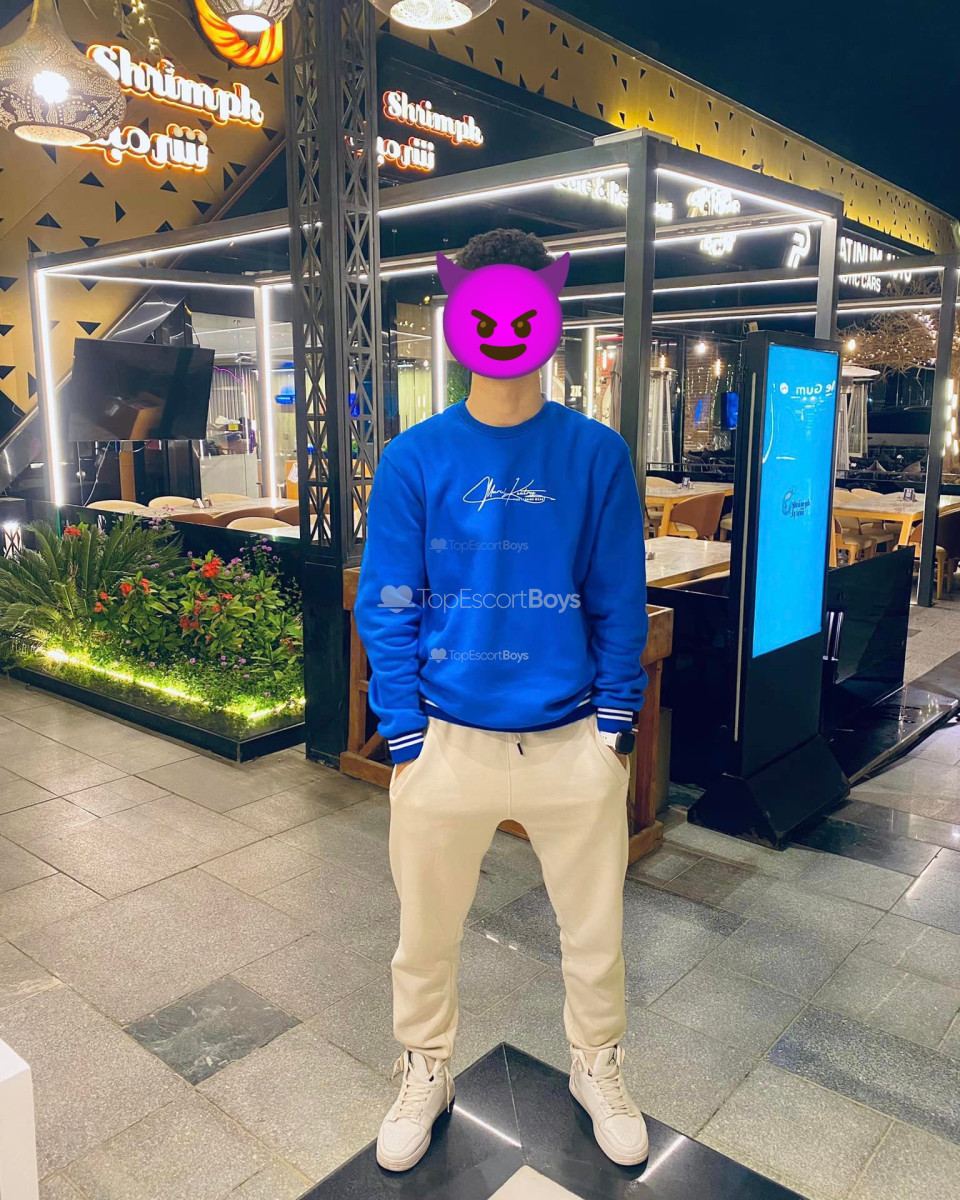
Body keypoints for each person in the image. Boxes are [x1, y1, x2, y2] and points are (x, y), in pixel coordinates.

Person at [356, 227, 649, 1173]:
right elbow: (388, 600)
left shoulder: (595, 455)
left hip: (572, 742)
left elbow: (618, 596)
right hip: (446, 743)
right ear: (458, 316)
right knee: (424, 935)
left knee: (595, 933)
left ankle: (597, 1066)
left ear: (549, 313)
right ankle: (424, 1068)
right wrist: (404, 733)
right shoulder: (416, 458)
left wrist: (614, 725)